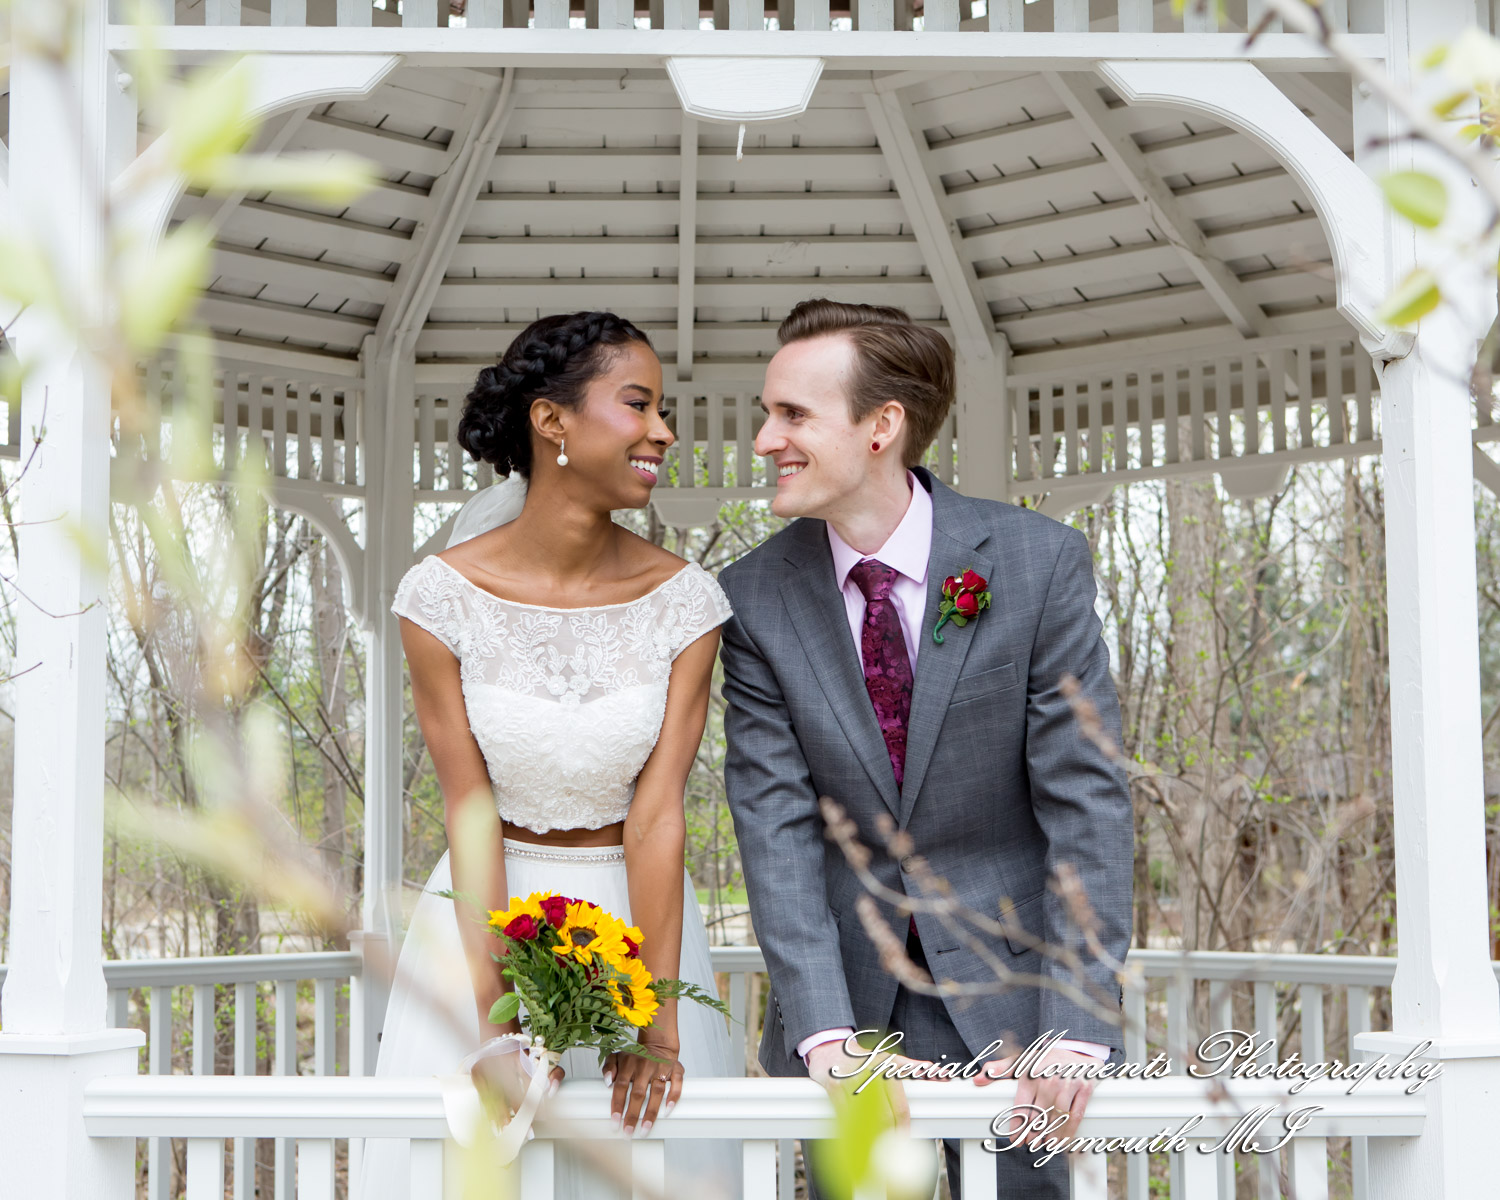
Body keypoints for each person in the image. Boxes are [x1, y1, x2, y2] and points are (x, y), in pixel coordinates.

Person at [716, 299, 1133, 1199]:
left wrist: (1077, 1020)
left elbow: (1086, 805)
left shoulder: (1035, 563)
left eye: (792, 415)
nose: (763, 439)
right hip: (850, 1016)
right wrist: (824, 1036)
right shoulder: (751, 599)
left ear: (882, 426)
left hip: (1022, 1011)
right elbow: (776, 831)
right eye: (767, 413)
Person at [354, 311, 741, 1200]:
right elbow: (470, 808)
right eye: (638, 404)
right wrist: (496, 1030)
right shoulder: (438, 598)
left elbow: (656, 816)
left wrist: (658, 1022)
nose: (663, 432)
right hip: (480, 928)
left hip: (639, 929)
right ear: (552, 420)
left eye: (664, 409)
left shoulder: (686, 604)